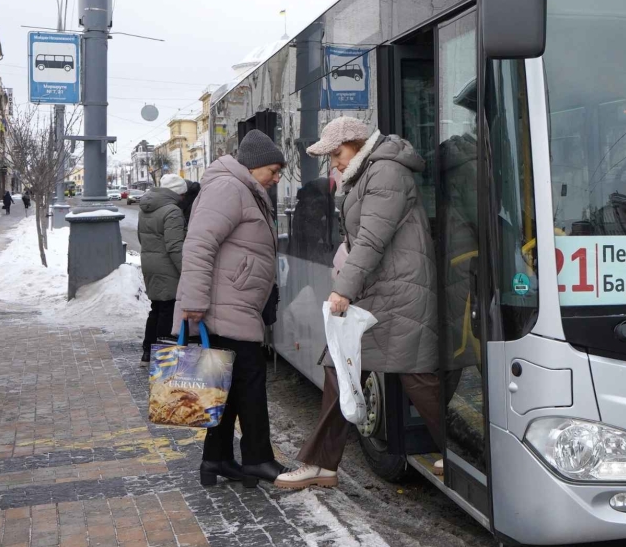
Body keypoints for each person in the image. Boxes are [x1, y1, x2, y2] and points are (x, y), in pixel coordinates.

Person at [276, 117, 440, 489]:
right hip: (382, 291)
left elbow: (371, 240)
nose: (334, 162)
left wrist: (343, 289)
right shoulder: (369, 172)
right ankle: (321, 464)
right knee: (341, 370)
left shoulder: (385, 172)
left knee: (417, 378)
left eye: (337, 153)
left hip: (398, 294)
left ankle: (469, 456)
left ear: (357, 143)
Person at [175, 129, 286, 487]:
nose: (277, 177)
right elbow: (199, 244)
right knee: (250, 382)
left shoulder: (246, 190)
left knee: (229, 387)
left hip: (236, 303)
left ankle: (216, 459)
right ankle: (257, 459)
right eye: (273, 169)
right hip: (224, 306)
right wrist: (192, 301)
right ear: (253, 166)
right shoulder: (228, 189)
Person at [139, 174, 187, 365]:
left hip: (150, 263)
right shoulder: (172, 211)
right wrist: (187, 272)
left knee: (156, 308)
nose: (183, 198)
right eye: (182, 194)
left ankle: (147, 351)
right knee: (168, 310)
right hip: (168, 266)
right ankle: (162, 356)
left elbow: (142, 238)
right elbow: (175, 246)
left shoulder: (145, 208)